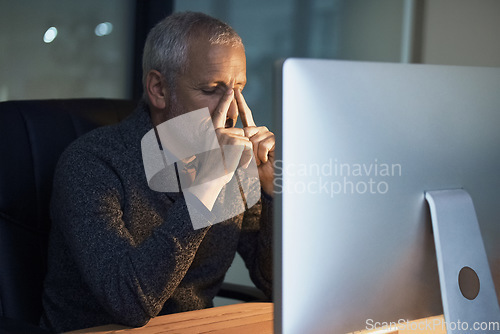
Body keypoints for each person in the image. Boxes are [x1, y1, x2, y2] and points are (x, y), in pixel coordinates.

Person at [40, 12, 274, 333]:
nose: (232, 111)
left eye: (238, 89)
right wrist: (203, 192)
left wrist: (274, 195)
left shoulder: (234, 164)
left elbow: (274, 283)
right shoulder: (91, 162)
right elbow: (130, 304)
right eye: (212, 90)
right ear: (159, 89)